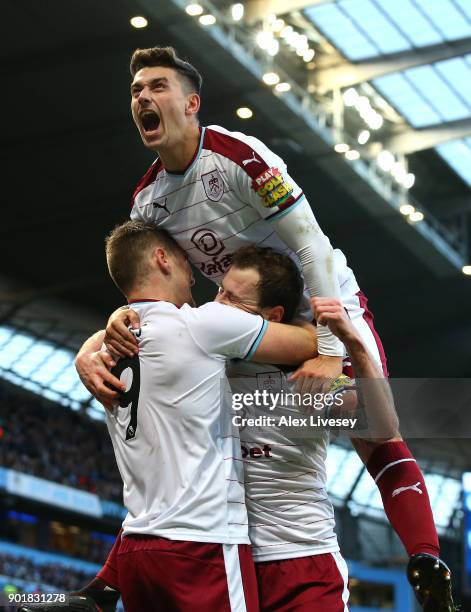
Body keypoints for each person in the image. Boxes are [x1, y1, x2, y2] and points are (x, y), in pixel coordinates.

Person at [68, 247, 452, 612]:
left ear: (271, 316)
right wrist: (92, 346)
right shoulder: (206, 353)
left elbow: (384, 433)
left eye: (234, 300)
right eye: (220, 291)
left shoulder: (310, 374)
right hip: (230, 560)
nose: (218, 305)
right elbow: (151, 320)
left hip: (302, 561)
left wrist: (354, 347)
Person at [73, 221, 325, 612]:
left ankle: (88, 597)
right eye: (186, 261)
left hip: (136, 548)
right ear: (162, 259)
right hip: (202, 543)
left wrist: (87, 347)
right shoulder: (203, 323)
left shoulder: (104, 353)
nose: (195, 279)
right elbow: (310, 343)